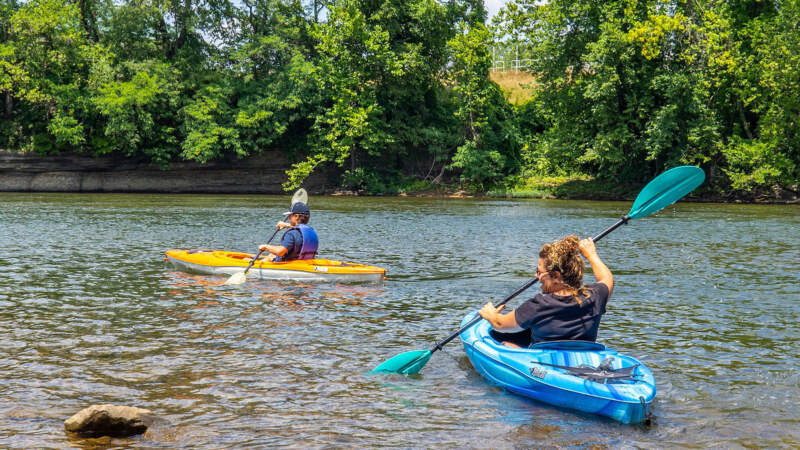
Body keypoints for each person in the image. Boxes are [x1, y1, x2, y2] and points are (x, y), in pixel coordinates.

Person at [478, 235, 613, 347]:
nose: (536, 277)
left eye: (539, 272)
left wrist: (490, 314)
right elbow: (606, 278)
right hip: (583, 361)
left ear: (556, 276)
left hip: (546, 364)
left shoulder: (539, 305)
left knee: (507, 344)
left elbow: (500, 324)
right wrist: (591, 255)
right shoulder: (595, 295)